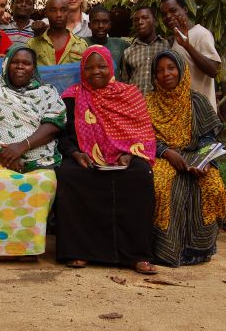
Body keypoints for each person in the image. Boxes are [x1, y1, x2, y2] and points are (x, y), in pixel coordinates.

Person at [56, 46, 157, 273]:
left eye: (101, 66)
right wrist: (75, 153)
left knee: (141, 175)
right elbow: (63, 135)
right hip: (85, 157)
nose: (96, 72)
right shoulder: (72, 96)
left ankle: (137, 255)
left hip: (126, 156)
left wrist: (129, 154)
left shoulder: (130, 94)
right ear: (82, 70)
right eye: (89, 68)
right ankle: (78, 252)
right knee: (69, 174)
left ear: (111, 67)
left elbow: (143, 133)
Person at [0, 45, 66, 261]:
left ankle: (26, 249)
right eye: (16, 62)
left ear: (33, 68)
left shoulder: (47, 92)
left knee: (44, 183)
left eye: (26, 63)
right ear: (7, 65)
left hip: (37, 155)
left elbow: (55, 124)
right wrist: (5, 153)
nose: (20, 67)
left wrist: (21, 147)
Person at [145, 50, 226, 267]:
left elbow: (209, 138)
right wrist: (168, 153)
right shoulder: (147, 102)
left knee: (213, 186)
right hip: (161, 155)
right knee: (161, 184)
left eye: (171, 68)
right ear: (154, 76)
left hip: (194, 156)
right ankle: (162, 250)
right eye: (160, 70)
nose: (166, 74)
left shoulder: (197, 101)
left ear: (182, 70)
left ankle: (198, 251)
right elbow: (142, 137)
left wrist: (205, 161)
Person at [159, 0, 221, 111]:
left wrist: (188, 46)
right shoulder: (176, 40)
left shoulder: (201, 34)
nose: (168, 16)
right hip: (183, 114)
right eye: (164, 14)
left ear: (185, 10)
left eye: (173, 11)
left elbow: (214, 70)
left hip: (202, 114)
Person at [121, 6, 170, 94]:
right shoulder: (128, 51)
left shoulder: (167, 46)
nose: (140, 22)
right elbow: (125, 82)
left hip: (161, 103)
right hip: (136, 103)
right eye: (136, 20)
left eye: (145, 18)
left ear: (155, 22)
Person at [27, 0, 87, 66]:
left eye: (63, 10)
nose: (58, 15)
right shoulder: (32, 44)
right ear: (46, 13)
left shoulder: (81, 45)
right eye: (53, 10)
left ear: (68, 12)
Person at [85, 5, 129, 73]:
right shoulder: (82, 43)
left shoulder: (120, 44)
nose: (101, 26)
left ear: (110, 25)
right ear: (89, 25)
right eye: (96, 22)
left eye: (105, 22)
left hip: (115, 83)